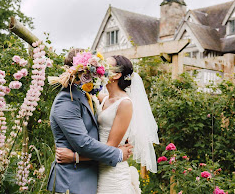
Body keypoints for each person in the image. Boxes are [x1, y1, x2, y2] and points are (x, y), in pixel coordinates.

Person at [56, 55, 159, 194]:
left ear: (116, 75)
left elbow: (110, 147)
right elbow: (83, 89)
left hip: (112, 173)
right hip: (96, 170)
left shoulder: (125, 103)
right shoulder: (104, 98)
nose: (99, 69)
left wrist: (75, 157)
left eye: (105, 66)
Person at [46, 49, 133, 194]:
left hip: (93, 176)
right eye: (97, 68)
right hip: (73, 181)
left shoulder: (85, 94)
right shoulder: (67, 100)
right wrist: (117, 154)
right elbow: (83, 143)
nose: (100, 71)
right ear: (83, 71)